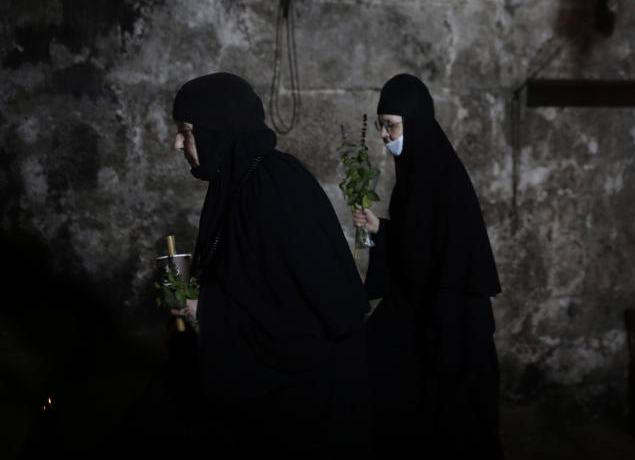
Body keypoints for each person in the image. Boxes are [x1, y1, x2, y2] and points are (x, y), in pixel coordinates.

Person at [169, 72, 371, 456]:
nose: (177, 142)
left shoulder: (274, 186)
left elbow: (304, 311)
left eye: (186, 131)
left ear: (217, 130)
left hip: (308, 397)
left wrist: (206, 312)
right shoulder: (235, 181)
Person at [352, 73, 503, 459]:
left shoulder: (444, 181)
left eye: (392, 126)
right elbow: (414, 243)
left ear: (415, 124)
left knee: (453, 421)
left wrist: (442, 334)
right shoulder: (412, 179)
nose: (384, 135)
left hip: (451, 317)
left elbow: (450, 258)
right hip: (423, 306)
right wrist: (379, 230)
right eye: (382, 125)